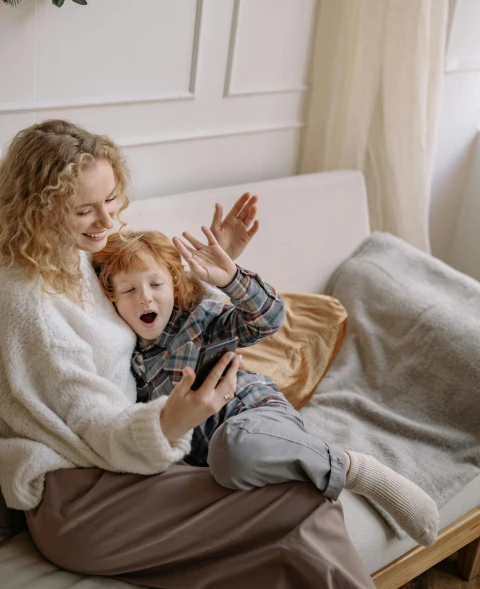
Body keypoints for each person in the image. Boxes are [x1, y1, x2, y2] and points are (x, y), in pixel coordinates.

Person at [0, 118, 377, 589]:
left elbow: (147, 303)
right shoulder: (28, 303)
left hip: (123, 465)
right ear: (39, 209)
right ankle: (347, 469)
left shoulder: (69, 254)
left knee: (292, 526)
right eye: (84, 210)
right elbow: (90, 424)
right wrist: (171, 422)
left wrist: (215, 269)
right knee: (296, 503)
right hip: (82, 499)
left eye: (111, 198)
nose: (108, 221)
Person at [92, 227, 440, 548]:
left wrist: (230, 279)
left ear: (174, 285)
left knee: (234, 447)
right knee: (222, 469)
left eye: (156, 285)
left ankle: (358, 469)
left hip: (251, 414)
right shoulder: (126, 361)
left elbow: (267, 320)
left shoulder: (199, 320)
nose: (145, 299)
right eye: (129, 290)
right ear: (112, 300)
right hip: (211, 460)